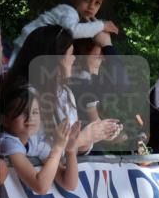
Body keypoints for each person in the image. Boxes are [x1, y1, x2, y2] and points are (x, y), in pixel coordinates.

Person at [7, 25, 118, 154]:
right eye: (70, 54)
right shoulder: (25, 96)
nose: (74, 58)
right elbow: (31, 151)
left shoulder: (65, 93)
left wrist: (94, 136)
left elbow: (74, 148)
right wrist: (81, 139)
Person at [10, 0, 121, 65]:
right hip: (26, 44)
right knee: (12, 74)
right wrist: (102, 25)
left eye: (97, 3)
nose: (91, 6)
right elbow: (74, 31)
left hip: (34, 47)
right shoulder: (68, 11)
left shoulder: (74, 16)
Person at [0, 82, 80, 194]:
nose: (30, 117)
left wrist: (70, 151)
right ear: (5, 120)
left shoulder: (34, 141)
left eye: (35, 112)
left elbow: (69, 184)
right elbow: (40, 187)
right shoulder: (7, 142)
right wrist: (57, 148)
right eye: (22, 112)